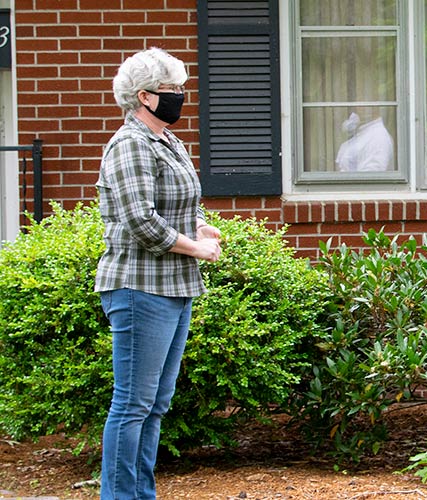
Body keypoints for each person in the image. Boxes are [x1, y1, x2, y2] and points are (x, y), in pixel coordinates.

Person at [94, 47, 222, 500]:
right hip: (138, 287)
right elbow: (141, 221)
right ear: (144, 97)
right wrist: (197, 249)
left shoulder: (167, 141)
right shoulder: (129, 143)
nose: (180, 97)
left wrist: (198, 225)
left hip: (174, 286)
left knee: (154, 405)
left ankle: (139, 494)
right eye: (171, 90)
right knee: (132, 404)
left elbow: (176, 206)